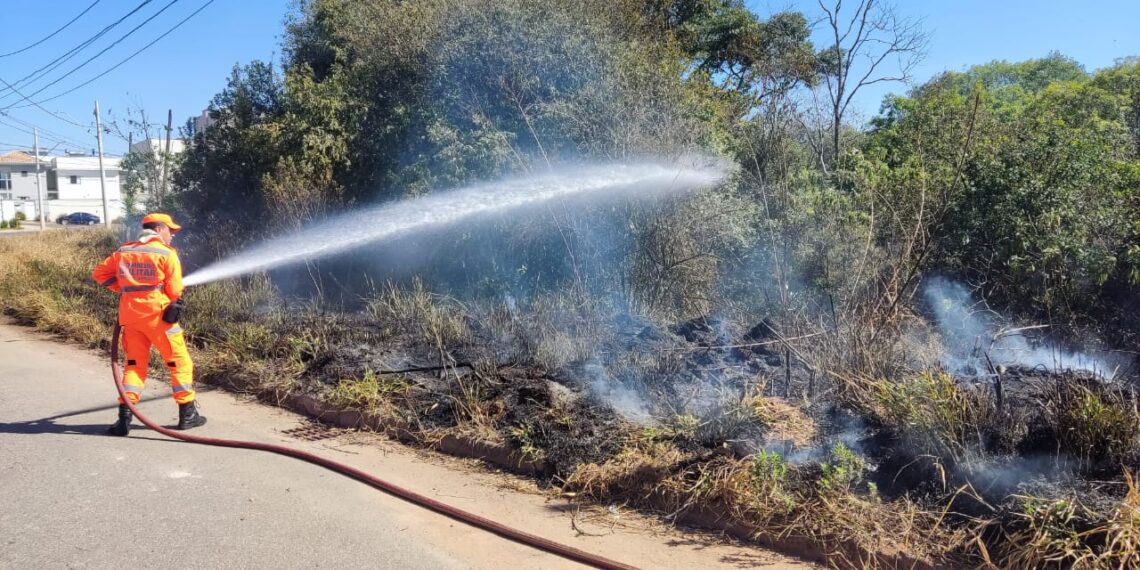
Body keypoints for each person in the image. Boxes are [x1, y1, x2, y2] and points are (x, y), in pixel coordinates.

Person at [92, 213, 206, 435]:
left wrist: (126, 290)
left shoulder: (124, 251)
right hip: (159, 318)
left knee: (134, 365)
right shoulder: (166, 253)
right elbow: (174, 291)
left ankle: (124, 417)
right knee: (179, 363)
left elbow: (99, 273)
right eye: (170, 231)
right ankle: (187, 414)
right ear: (159, 228)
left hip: (131, 318)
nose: (172, 235)